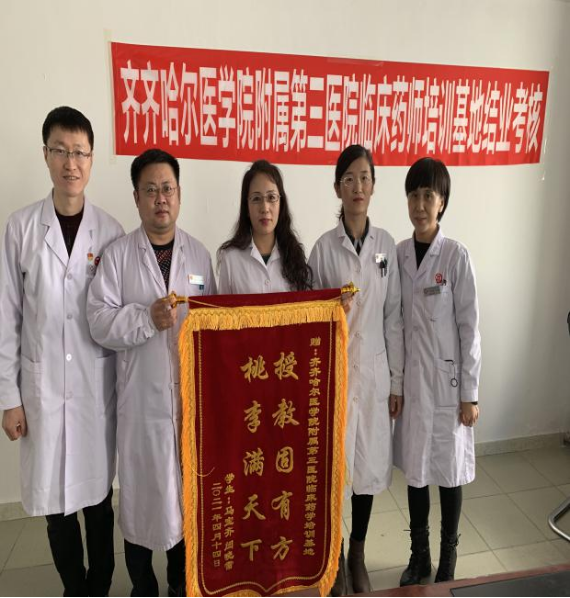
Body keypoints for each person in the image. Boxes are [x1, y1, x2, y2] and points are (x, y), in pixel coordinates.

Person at [0, 106, 124, 596]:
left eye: (80, 153)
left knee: (99, 500)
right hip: (43, 390)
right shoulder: (20, 229)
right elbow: (6, 318)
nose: (70, 163)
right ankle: (75, 587)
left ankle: (100, 584)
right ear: (45, 155)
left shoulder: (110, 232)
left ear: (91, 159)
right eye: (60, 151)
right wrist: (9, 398)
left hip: (95, 391)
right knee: (55, 507)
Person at [86, 148, 216, 596]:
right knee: (142, 510)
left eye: (167, 189)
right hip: (141, 408)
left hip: (187, 407)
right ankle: (143, 587)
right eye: (150, 190)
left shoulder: (199, 256)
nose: (160, 198)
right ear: (137, 198)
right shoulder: (118, 256)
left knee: (185, 506)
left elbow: (213, 325)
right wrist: (145, 318)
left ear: (179, 195)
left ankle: (181, 586)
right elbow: (98, 321)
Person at [308, 144, 404, 595]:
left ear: (373, 185)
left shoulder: (386, 247)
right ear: (337, 188)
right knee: (333, 470)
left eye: (364, 178)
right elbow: (310, 317)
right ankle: (336, 554)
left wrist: (396, 382)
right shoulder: (323, 249)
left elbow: (393, 317)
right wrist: (333, 309)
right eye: (349, 179)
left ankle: (359, 552)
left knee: (365, 471)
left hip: (375, 373)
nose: (358, 187)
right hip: (335, 376)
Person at [393, 157, 481, 585]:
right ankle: (419, 556)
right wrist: (396, 384)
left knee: (448, 473)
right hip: (413, 385)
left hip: (448, 387)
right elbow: (394, 322)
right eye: (413, 195)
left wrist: (470, 395)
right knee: (416, 473)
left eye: (428, 195)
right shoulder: (397, 255)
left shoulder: (456, 256)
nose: (420, 205)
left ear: (442, 201)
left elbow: (470, 328)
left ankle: (448, 558)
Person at [217, 159, 312, 293]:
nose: (265, 208)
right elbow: (223, 306)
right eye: (256, 199)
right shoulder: (230, 258)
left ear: (281, 204)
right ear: (246, 207)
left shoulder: (295, 256)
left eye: (271, 198)